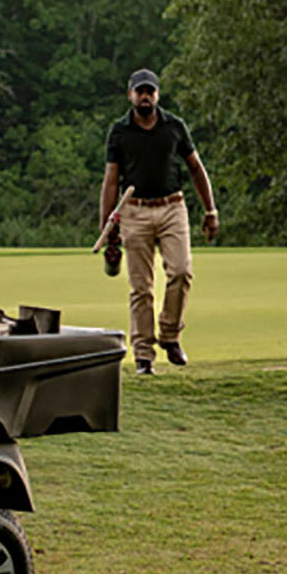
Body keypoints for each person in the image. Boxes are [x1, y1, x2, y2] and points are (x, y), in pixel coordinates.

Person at [98, 68, 219, 375]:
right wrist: (106, 225)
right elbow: (111, 180)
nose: (145, 97)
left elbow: (195, 168)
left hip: (172, 207)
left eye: (150, 92)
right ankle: (143, 357)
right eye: (140, 92)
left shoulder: (174, 127)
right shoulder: (119, 132)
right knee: (141, 288)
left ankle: (170, 335)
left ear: (157, 95)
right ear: (130, 95)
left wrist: (210, 210)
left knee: (181, 271)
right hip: (134, 212)